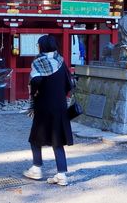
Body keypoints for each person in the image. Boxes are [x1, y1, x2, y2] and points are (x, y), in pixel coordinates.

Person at [24, 35, 74, 186]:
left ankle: (36, 168)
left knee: (35, 138)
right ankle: (62, 174)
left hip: (44, 106)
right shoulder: (61, 61)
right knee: (57, 141)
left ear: (42, 47)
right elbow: (69, 84)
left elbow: (35, 83)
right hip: (60, 106)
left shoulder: (38, 63)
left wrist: (35, 93)